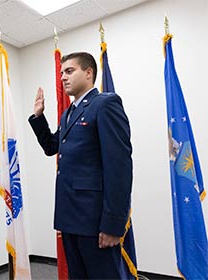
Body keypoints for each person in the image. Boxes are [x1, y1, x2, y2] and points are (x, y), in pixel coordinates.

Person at [28, 52, 133, 279]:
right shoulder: (69, 113)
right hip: (70, 216)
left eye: (69, 71)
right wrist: (38, 117)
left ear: (88, 72)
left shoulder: (105, 104)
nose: (63, 77)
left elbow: (119, 167)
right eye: (61, 73)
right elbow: (51, 147)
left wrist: (113, 224)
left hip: (95, 220)